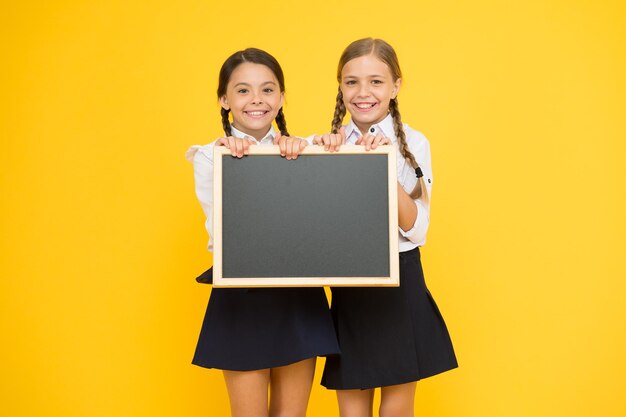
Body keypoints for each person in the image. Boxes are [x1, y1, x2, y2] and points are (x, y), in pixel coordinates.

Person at [186, 48, 340, 417]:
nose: (256, 99)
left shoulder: (304, 152)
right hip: (244, 296)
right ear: (224, 100)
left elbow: (320, 224)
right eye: (242, 90)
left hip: (297, 297)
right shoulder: (212, 157)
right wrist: (244, 163)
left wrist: (322, 150)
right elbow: (231, 231)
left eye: (267, 90)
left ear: (282, 97)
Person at [314, 38, 458, 417]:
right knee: (352, 404)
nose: (363, 93)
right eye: (351, 82)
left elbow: (417, 228)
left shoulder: (414, 143)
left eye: (376, 81)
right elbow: (318, 225)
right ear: (340, 87)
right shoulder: (327, 145)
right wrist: (320, 154)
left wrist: (380, 162)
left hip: (400, 279)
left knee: (397, 404)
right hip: (351, 284)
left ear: (395, 87)